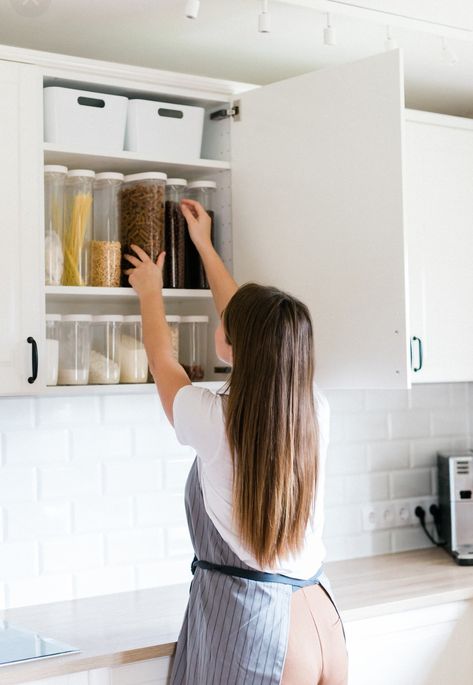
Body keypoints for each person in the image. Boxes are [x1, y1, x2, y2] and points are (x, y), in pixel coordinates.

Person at [124, 199, 348, 685]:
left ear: (233, 342)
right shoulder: (312, 407)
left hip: (260, 628)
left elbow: (164, 362)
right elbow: (249, 322)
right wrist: (203, 244)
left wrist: (149, 292)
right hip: (322, 621)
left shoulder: (214, 417)